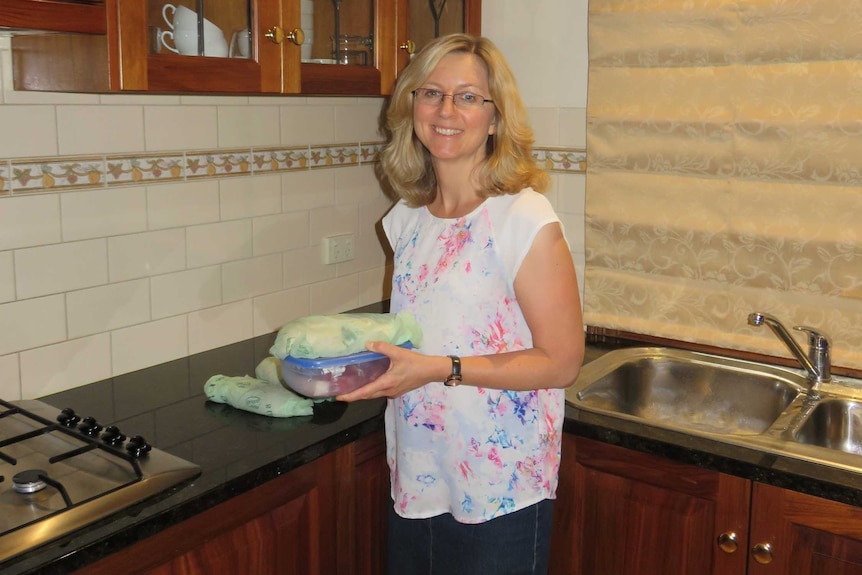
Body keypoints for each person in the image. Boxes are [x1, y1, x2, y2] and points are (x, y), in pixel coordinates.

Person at [337, 33, 584, 575]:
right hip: (420, 472)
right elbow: (426, 329)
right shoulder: (406, 219)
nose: (447, 110)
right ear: (412, 106)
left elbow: (562, 361)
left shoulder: (524, 218)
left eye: (469, 97)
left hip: (501, 487)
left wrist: (436, 369)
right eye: (432, 93)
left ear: (496, 119)